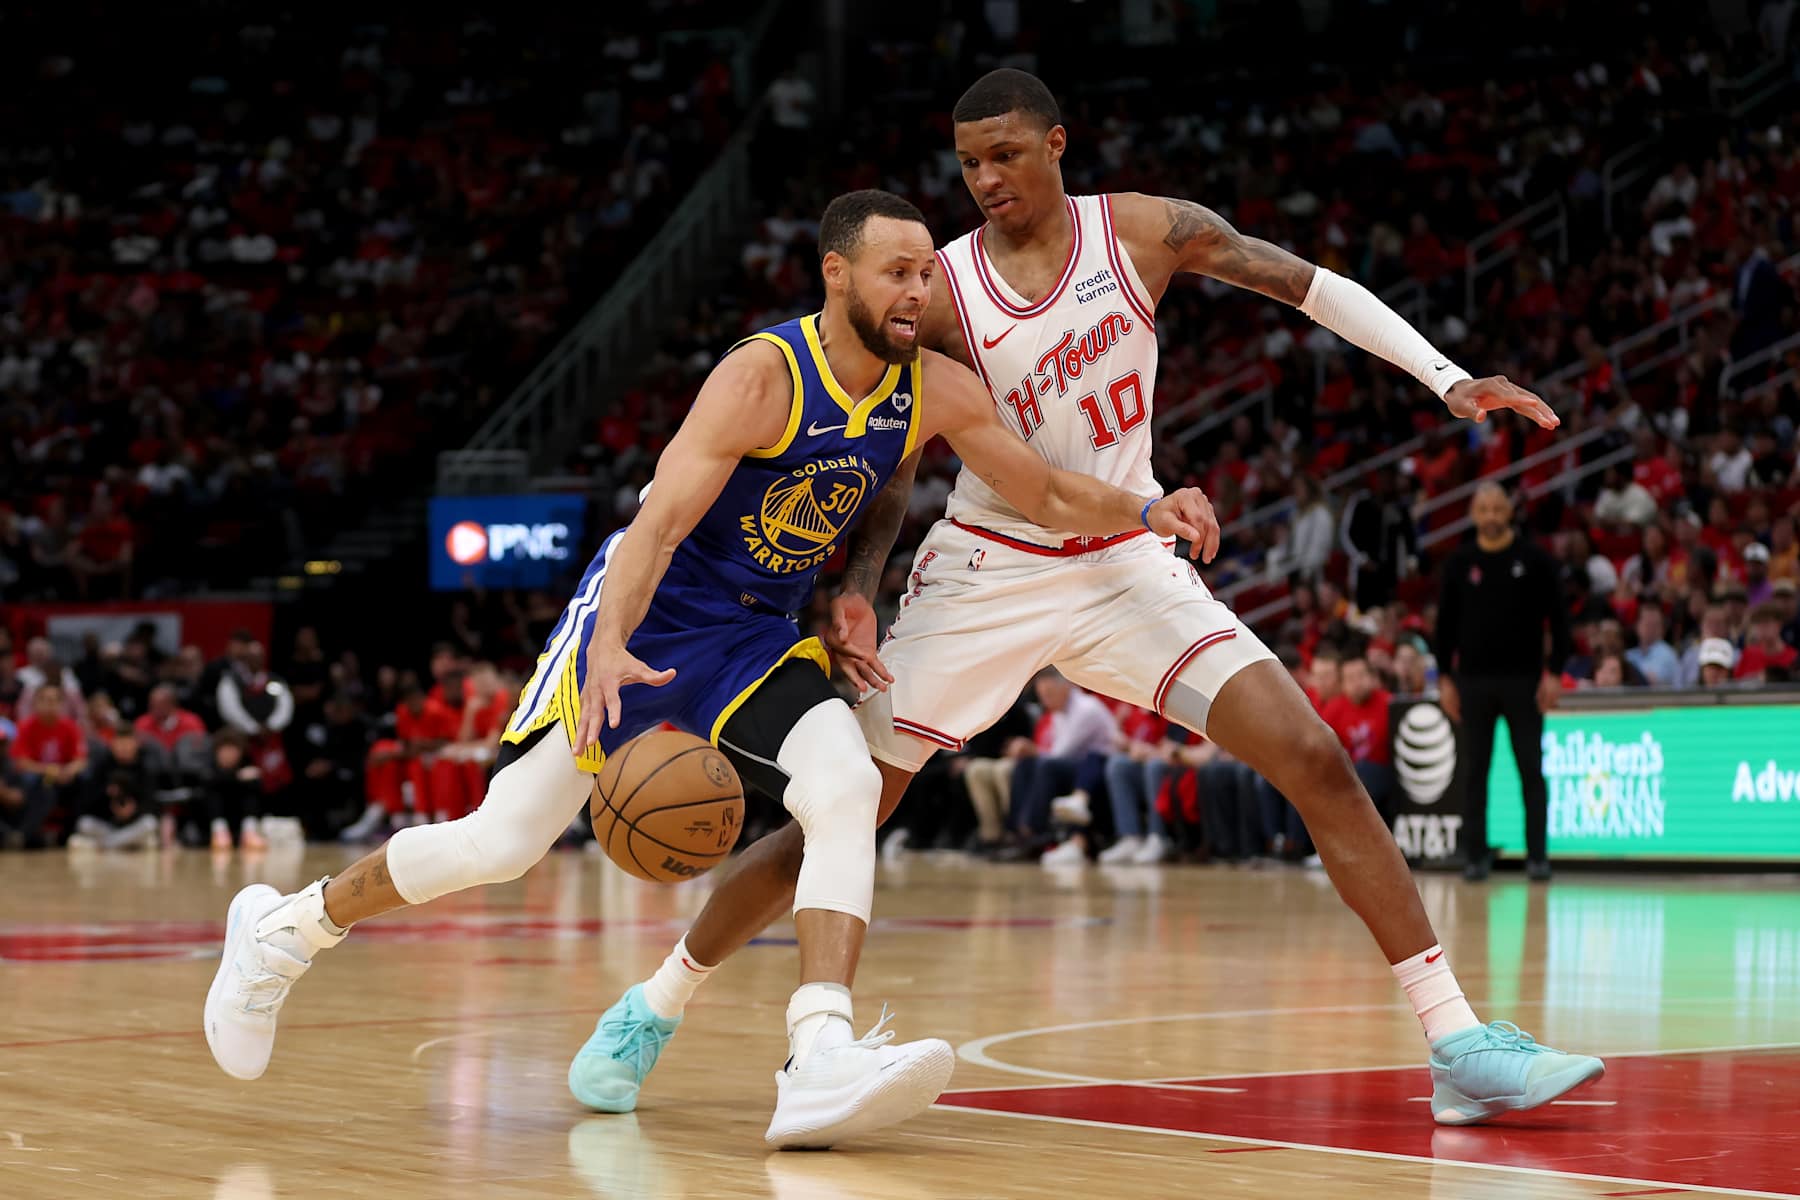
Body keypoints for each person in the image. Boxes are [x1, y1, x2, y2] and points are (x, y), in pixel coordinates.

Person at [604, 68, 1598, 1127]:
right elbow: (895, 467)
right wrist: (857, 588)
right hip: (987, 567)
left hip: (1128, 554)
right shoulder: (934, 290)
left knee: (1311, 754)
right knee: (838, 816)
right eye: (969, 162)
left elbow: (1306, 284)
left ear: (1056, 144)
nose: (985, 179)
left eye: (1004, 155)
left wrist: (1446, 378)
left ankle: (1458, 1043)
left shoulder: (1144, 233)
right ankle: (653, 1006)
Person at [202, 189, 1221, 1149]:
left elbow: (1039, 487)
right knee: (501, 842)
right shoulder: (761, 378)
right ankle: (290, 929)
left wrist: (1145, 509)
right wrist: (607, 647)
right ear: (837, 275)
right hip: (650, 618)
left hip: (757, 634)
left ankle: (819, 1045)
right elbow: (655, 530)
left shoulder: (935, 389)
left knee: (848, 786)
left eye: (927, 275)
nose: (919, 292)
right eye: (897, 273)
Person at [1436, 484, 1570, 883]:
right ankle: (1476, 856)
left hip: (1524, 681)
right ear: (1474, 515)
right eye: (1484, 509)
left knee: (1531, 768)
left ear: (1509, 512)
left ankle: (1538, 857)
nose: (1491, 516)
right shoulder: (1459, 563)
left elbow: (1560, 618)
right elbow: (1444, 627)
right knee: (1475, 771)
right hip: (1473, 682)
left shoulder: (1535, 559)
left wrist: (1555, 673)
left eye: (1498, 508)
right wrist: (1445, 678)